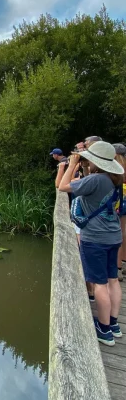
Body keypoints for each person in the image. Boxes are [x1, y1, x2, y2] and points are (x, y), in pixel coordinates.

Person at [59, 141, 124, 346]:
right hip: (114, 236)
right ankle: (114, 324)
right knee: (113, 280)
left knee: (99, 284)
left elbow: (63, 187)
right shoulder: (114, 177)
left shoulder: (95, 180)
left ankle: (103, 330)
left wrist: (72, 165)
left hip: (95, 238)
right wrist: (87, 166)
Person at [114, 143, 126, 281]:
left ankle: (117, 269)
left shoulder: (116, 167)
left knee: (116, 234)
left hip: (119, 199)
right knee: (124, 232)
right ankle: (123, 263)